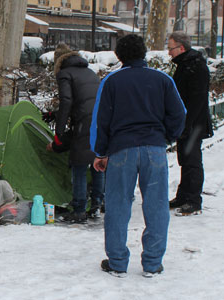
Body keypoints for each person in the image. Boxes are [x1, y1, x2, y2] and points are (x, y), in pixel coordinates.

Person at [90, 34, 186, 277]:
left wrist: (100, 152)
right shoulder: (162, 79)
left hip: (122, 150)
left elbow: (101, 121)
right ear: (144, 53)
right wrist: (167, 137)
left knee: (118, 205)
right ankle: (153, 263)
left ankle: (118, 261)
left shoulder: (112, 81)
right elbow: (179, 113)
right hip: (154, 148)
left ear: (119, 56)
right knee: (156, 206)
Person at [46, 43, 105, 224]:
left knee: (78, 163)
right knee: (97, 161)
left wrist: (59, 131)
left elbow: (66, 102)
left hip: (84, 122)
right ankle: (97, 202)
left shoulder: (64, 73)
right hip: (99, 120)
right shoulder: (89, 72)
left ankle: (79, 209)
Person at [167, 32, 214, 216]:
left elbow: (196, 99)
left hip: (194, 124)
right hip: (187, 122)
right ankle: (184, 195)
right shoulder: (186, 64)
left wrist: (187, 124)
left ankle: (193, 200)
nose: (169, 53)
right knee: (185, 159)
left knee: (192, 161)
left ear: (181, 48)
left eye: (171, 48)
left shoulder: (195, 66)